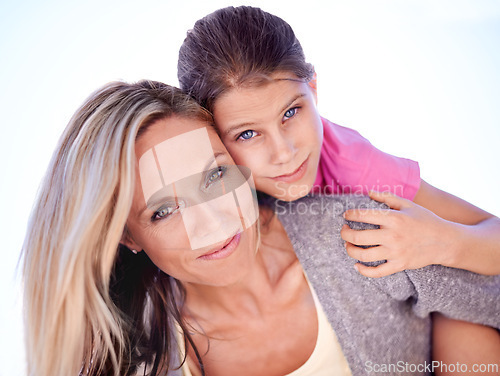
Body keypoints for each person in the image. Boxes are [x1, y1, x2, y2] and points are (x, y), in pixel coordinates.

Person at [22, 80, 500, 376]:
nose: (213, 222)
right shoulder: (134, 359)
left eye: (215, 176)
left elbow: (487, 295)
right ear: (126, 237)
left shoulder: (355, 232)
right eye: (163, 211)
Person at [177, 5, 500, 278]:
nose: (285, 153)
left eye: (291, 112)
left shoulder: (357, 166)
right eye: (248, 134)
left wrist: (441, 242)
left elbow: (492, 231)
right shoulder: (193, 179)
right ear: (211, 134)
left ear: (313, 88)